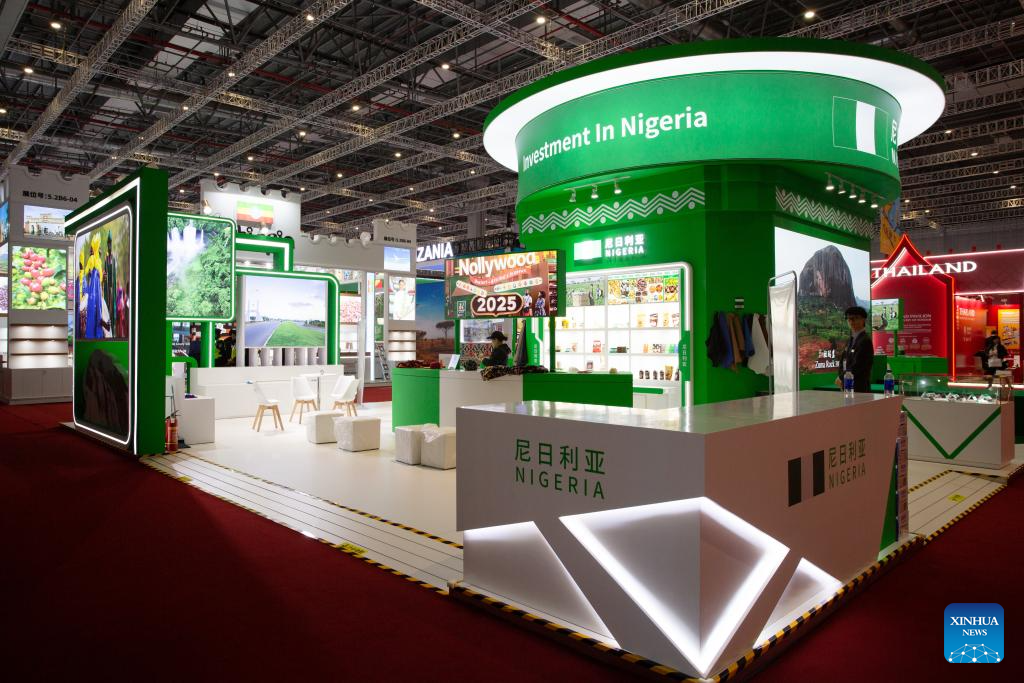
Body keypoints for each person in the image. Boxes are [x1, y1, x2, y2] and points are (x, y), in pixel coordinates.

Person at [835, 306, 874, 393]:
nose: (852, 321)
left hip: (859, 387)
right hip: (847, 385)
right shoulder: (850, 340)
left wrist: (842, 377)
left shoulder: (865, 340)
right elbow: (843, 361)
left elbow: (859, 365)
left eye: (855, 318)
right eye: (849, 319)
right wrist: (841, 377)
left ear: (863, 319)